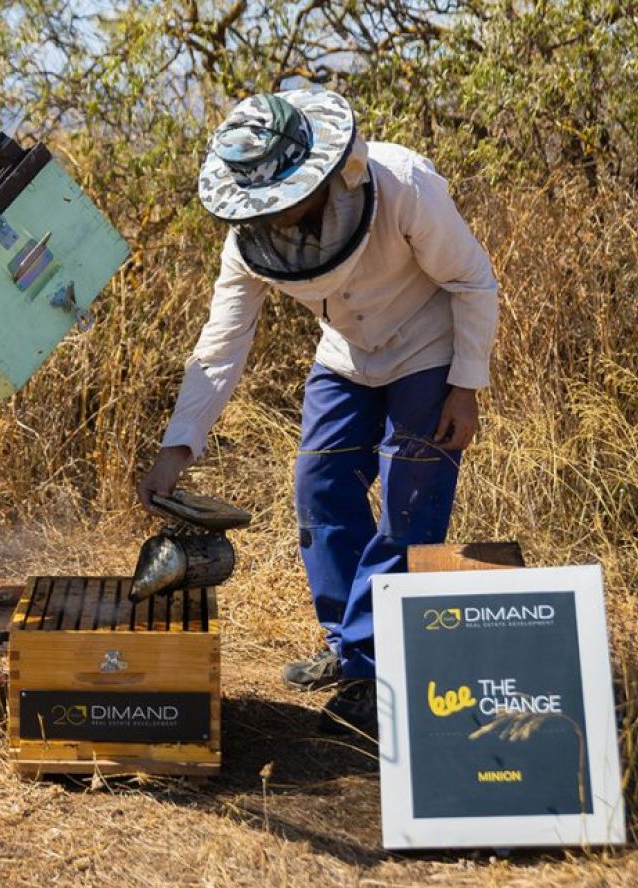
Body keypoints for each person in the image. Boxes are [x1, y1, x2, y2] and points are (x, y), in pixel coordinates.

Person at [137, 90, 498, 735]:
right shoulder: (249, 241)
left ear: (320, 171)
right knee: (318, 486)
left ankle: (369, 662)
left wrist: (465, 386)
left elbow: (472, 280)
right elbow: (223, 341)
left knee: (409, 496)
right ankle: (346, 645)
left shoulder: (402, 184)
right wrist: (179, 445)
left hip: (427, 344)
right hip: (346, 354)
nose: (272, 213)